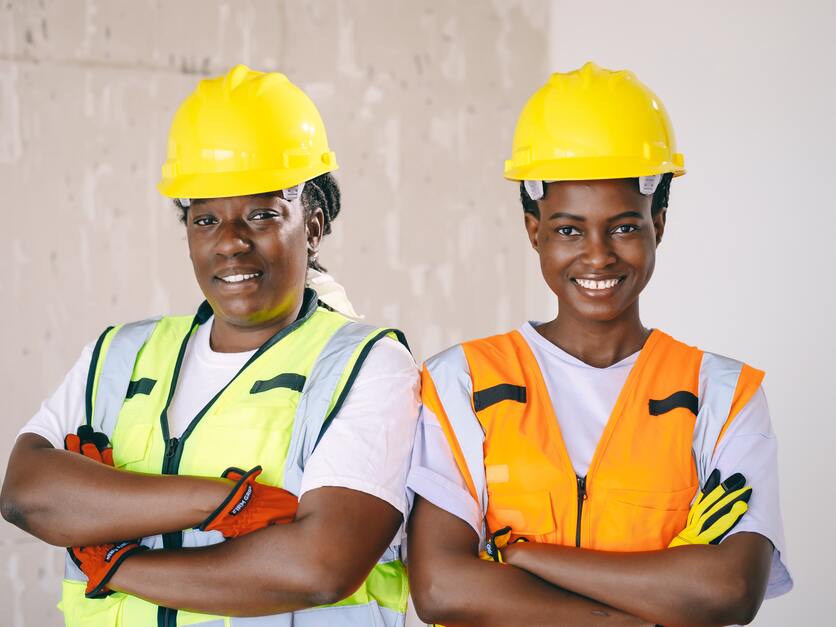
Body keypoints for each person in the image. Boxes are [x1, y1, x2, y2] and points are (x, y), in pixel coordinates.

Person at [0, 65, 419, 626]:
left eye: (262, 214)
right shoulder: (120, 356)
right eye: (205, 219)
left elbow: (318, 567)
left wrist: (116, 564)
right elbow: (26, 494)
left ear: (314, 226)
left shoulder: (367, 367)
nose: (230, 243)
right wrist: (226, 502)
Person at [407, 62, 792, 626]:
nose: (597, 255)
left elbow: (730, 589)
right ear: (533, 230)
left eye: (624, 227)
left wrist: (524, 554)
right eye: (568, 229)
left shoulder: (721, 394)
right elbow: (441, 588)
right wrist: (638, 611)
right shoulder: (461, 382)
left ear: (658, 223)